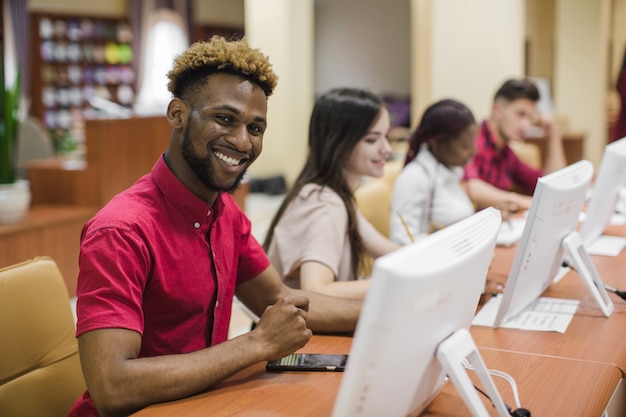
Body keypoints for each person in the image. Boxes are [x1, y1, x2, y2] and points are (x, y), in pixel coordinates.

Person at [69, 37, 362, 417]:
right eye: (224, 119)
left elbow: (278, 300)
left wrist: (396, 312)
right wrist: (255, 345)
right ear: (177, 113)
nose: (242, 141)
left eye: (255, 128)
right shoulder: (120, 231)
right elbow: (112, 387)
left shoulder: (223, 211)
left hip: (204, 404)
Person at [263, 88, 400, 300]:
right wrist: (392, 282)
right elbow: (316, 290)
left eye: (386, 137)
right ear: (339, 143)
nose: (387, 149)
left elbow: (385, 249)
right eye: (372, 140)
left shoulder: (336, 194)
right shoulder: (325, 204)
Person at [462, 78, 566, 215]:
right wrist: (526, 202)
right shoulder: (473, 140)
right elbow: (472, 188)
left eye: (530, 117)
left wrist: (553, 136)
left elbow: (552, 185)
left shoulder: (507, 154)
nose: (526, 125)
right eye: (520, 114)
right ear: (497, 110)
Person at [390, 99, 478, 245]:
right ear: (437, 143)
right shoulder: (414, 178)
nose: (475, 151)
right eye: (466, 145)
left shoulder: (450, 170)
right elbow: (402, 242)